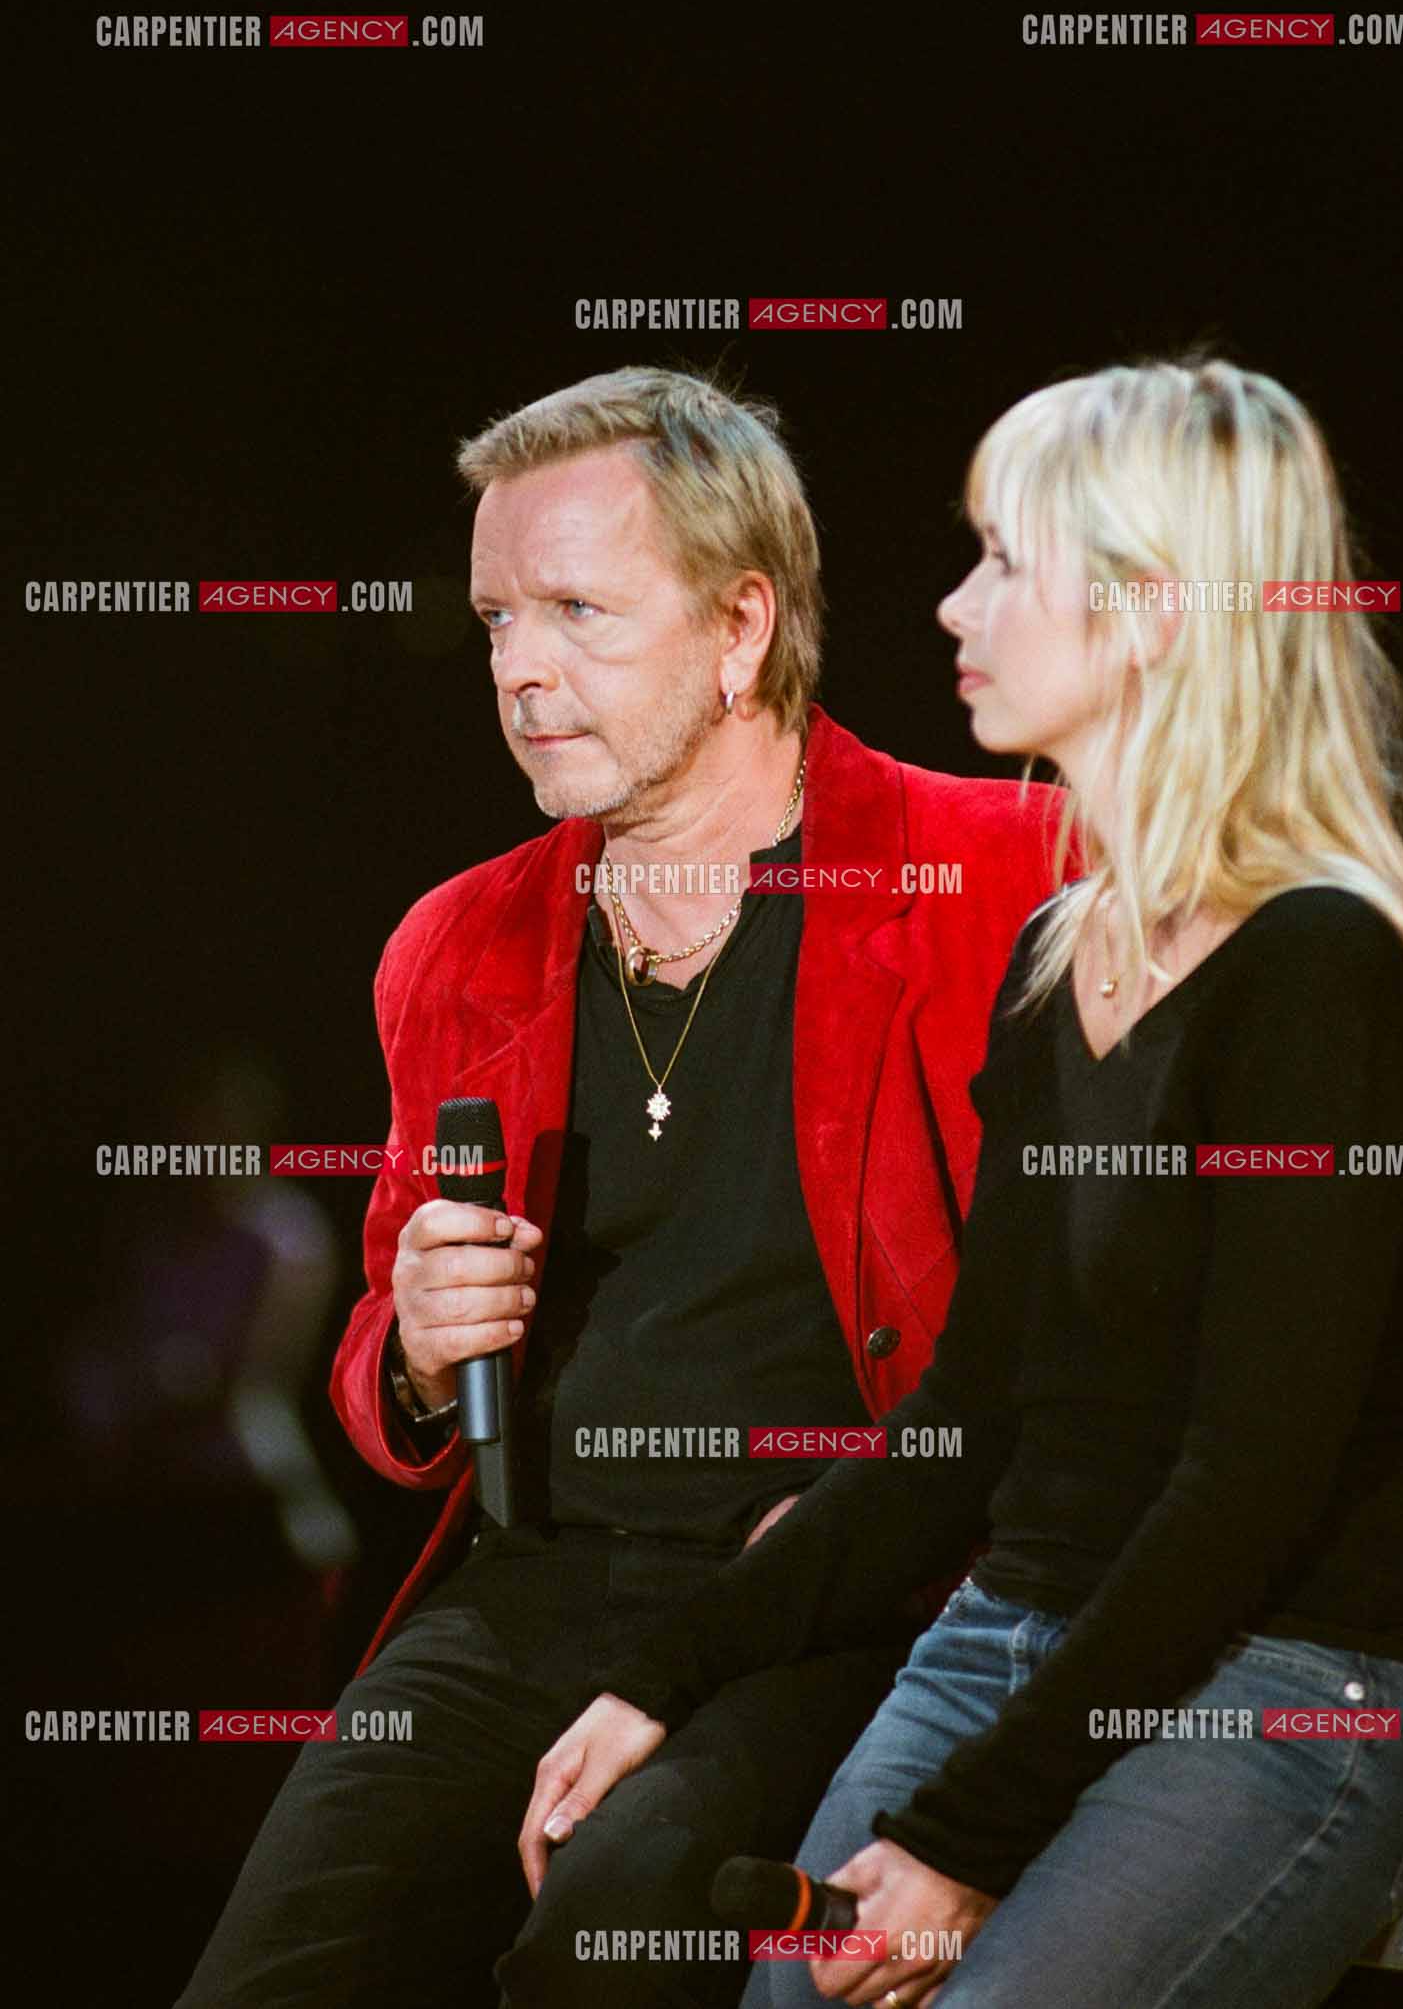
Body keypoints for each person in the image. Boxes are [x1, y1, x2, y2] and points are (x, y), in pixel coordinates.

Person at [521, 356, 1403, 2009]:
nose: (955, 606)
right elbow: (967, 1421)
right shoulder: (1062, 955)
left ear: (1152, 610)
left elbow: (1248, 1480)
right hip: (1014, 1640)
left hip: (1281, 1683)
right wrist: (662, 1677)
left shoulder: (1320, 963)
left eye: (1004, 563)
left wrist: (969, 1837)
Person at [175, 367, 1069, 2008]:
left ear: (741, 631)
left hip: (841, 1587)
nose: (518, 670)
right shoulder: (459, 940)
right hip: (537, 1588)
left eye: (577, 609)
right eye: (498, 616)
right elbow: (378, 1374)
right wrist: (424, 1352)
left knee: (615, 1936)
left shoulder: (1007, 872)